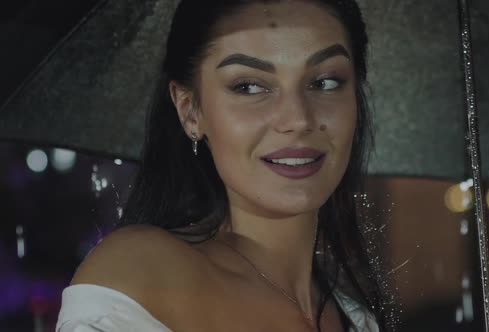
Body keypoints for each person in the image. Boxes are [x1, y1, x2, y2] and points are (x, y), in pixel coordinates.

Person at [56, 0, 389, 331]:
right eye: (249, 86)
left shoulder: (357, 319)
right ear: (189, 110)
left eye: (326, 82)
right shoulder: (141, 277)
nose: (298, 119)